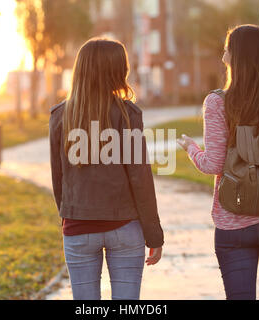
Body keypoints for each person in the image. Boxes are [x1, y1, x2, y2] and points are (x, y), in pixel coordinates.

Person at [177, 24, 259, 300]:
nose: (223, 56)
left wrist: (191, 148)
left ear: (233, 58)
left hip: (234, 223)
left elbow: (213, 165)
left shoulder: (217, 103)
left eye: (227, 50)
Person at [49, 38, 164, 300]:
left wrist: (70, 216)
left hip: (78, 228)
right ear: (117, 72)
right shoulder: (127, 114)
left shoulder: (60, 116)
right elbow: (140, 178)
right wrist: (153, 234)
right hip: (124, 228)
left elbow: (59, 179)